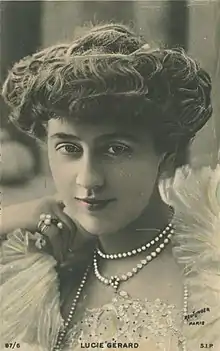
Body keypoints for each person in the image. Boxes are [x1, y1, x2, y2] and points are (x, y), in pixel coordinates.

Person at [0, 23, 219, 351]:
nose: (88, 180)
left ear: (166, 158)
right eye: (70, 149)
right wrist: (13, 216)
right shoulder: (42, 267)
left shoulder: (209, 271)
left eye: (116, 149)